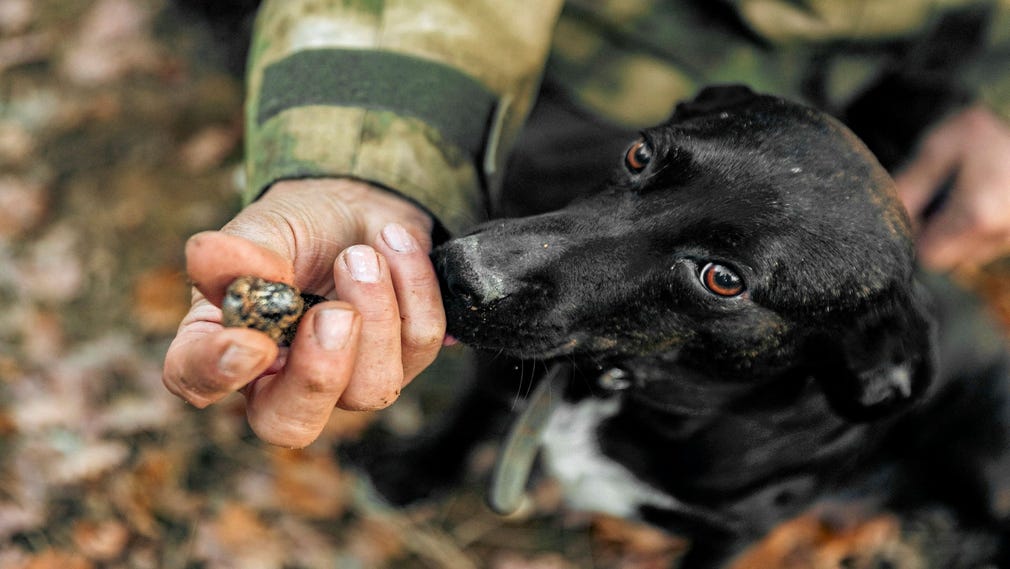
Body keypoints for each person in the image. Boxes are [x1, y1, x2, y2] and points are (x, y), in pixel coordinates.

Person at [163, 0, 1010, 448]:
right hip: (597, 47)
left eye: (718, 274)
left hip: (918, 70)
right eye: (645, 164)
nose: (494, 259)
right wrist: (365, 163)